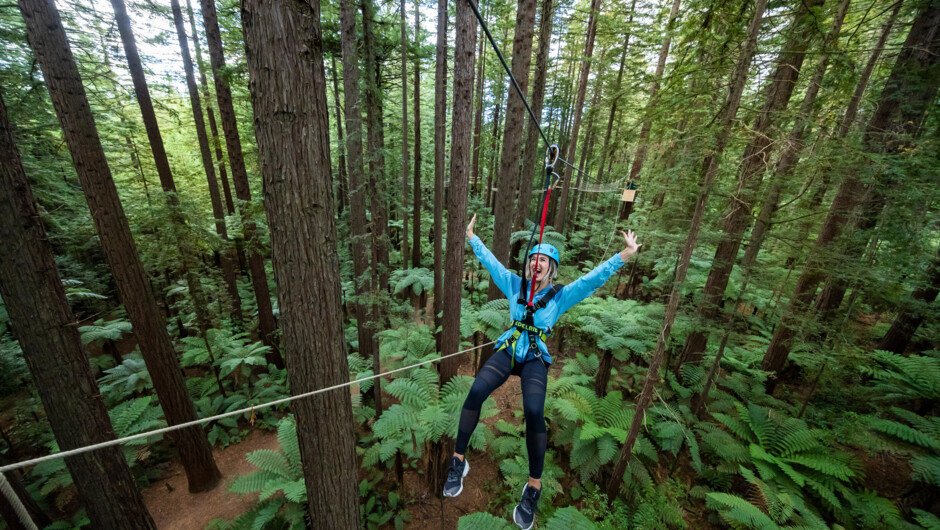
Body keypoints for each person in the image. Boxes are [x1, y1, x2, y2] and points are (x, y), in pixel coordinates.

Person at [444, 213, 641, 530]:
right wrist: (471, 238)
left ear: (552, 267)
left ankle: (532, 486)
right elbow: (492, 263)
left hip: (535, 356)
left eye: (543, 260)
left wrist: (624, 255)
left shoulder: (561, 295)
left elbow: (592, 280)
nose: (536, 264)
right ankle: (458, 461)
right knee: (477, 390)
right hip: (509, 350)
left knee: (534, 410)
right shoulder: (513, 284)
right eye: (532, 258)